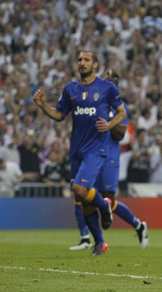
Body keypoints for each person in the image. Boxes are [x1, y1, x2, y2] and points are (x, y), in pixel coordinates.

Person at [32, 51, 127, 256]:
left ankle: (104, 207)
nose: (82, 63)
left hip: (96, 148)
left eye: (86, 60)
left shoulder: (107, 88)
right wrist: (42, 106)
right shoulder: (70, 88)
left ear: (95, 64)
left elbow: (122, 113)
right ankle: (99, 243)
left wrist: (109, 125)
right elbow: (59, 115)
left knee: (79, 188)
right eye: (79, 60)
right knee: (83, 198)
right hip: (76, 149)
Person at [70, 69, 149, 251]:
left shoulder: (119, 107)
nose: (109, 81)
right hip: (90, 154)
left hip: (109, 157)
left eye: (113, 79)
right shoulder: (91, 102)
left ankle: (138, 225)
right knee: (85, 196)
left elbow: (121, 134)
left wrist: (107, 120)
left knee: (108, 201)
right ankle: (99, 242)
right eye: (106, 77)